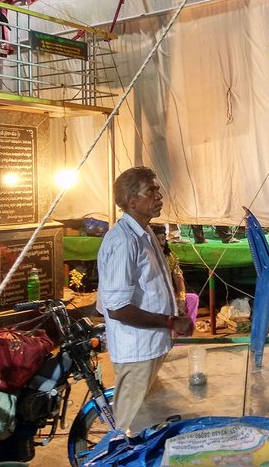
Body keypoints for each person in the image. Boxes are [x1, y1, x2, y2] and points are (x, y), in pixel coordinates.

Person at [96, 166, 193, 433]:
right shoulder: (123, 241)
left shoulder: (145, 233)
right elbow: (116, 309)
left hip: (151, 347)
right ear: (131, 200)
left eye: (158, 189)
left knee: (147, 419)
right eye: (151, 190)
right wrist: (170, 321)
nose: (159, 196)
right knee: (127, 430)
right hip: (136, 351)